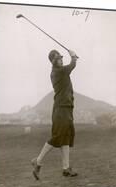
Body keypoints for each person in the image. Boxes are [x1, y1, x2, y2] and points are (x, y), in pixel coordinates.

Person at [31, 49, 78, 180]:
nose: (61, 60)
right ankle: (38, 161)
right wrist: (73, 55)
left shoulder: (60, 71)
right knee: (58, 137)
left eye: (61, 58)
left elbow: (69, 67)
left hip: (66, 108)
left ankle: (66, 169)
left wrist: (72, 57)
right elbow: (72, 65)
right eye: (58, 58)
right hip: (61, 110)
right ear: (53, 61)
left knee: (66, 138)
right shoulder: (58, 72)